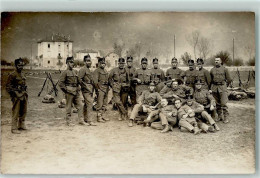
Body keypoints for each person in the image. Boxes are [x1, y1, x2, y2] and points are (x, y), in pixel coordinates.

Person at [59, 57, 85, 126]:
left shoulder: (75, 71)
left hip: (76, 91)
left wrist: (80, 84)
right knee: (69, 107)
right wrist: (66, 90)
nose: (72, 64)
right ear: (67, 63)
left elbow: (79, 81)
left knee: (80, 105)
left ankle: (81, 120)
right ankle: (68, 121)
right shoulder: (64, 72)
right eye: (71, 62)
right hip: (69, 91)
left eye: (73, 62)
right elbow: (61, 83)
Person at [6, 58, 28, 134]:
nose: (21, 67)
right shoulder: (12, 75)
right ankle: (14, 128)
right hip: (17, 96)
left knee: (23, 111)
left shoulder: (22, 74)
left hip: (23, 94)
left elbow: (24, 84)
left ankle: (21, 125)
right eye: (19, 65)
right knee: (16, 111)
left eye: (22, 65)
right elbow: (8, 87)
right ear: (16, 65)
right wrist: (14, 94)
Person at [210, 57, 232, 123]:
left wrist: (225, 86)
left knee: (224, 103)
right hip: (214, 88)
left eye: (218, 60)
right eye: (215, 60)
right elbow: (210, 80)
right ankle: (219, 116)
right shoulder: (212, 70)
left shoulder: (225, 69)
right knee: (217, 103)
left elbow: (229, 79)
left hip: (222, 87)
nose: (216, 61)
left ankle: (226, 117)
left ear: (220, 61)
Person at [78, 54, 97, 126]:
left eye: (90, 61)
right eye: (88, 61)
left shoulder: (88, 69)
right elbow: (79, 79)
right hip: (86, 90)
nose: (89, 62)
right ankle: (90, 120)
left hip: (90, 89)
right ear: (84, 62)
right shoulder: (83, 69)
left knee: (86, 105)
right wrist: (85, 86)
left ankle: (85, 119)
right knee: (90, 104)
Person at [93, 57, 110, 123]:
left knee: (105, 104)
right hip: (100, 89)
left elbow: (107, 80)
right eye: (102, 63)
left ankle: (103, 116)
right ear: (99, 63)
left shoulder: (105, 71)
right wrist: (97, 90)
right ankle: (99, 117)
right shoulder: (96, 71)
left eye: (104, 63)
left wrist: (108, 88)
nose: (103, 64)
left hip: (106, 89)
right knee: (99, 104)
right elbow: (95, 82)